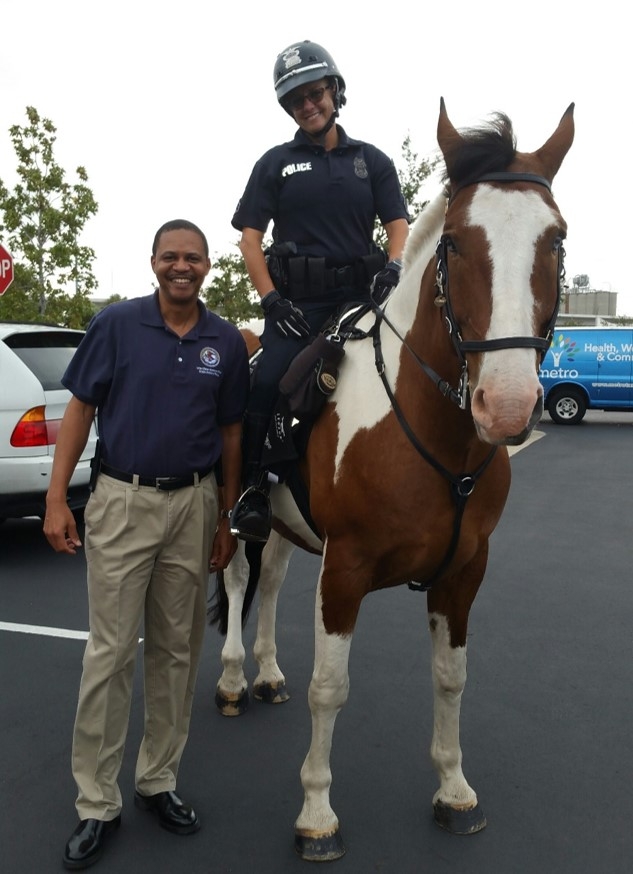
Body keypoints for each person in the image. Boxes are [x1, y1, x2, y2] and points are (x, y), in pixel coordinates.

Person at [44, 219, 250, 870]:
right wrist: (56, 499)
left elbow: (231, 435)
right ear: (154, 262)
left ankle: (157, 780)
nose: (180, 267)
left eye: (192, 258)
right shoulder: (115, 325)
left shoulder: (225, 340)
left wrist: (225, 518)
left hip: (193, 506)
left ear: (208, 266)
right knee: (107, 656)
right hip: (122, 502)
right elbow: (79, 409)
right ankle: (95, 803)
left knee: (176, 654)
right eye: (170, 257)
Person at [229, 39, 410, 544]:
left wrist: (395, 268)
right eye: (295, 100)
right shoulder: (275, 162)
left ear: (335, 91)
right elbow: (249, 240)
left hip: (361, 301)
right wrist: (271, 300)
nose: (307, 106)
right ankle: (253, 495)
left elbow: (398, 224)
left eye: (314, 93)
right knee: (266, 382)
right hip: (297, 311)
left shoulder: (371, 161)